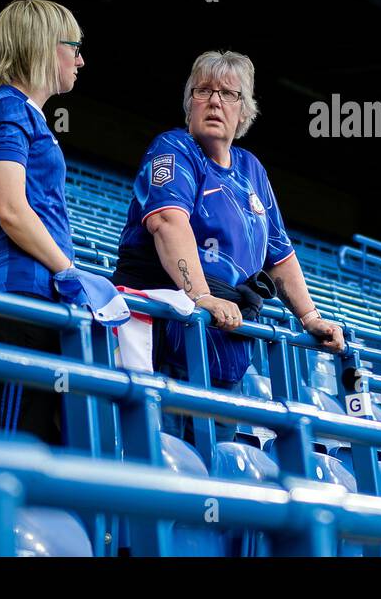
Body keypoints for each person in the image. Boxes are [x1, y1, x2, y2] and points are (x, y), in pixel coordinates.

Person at [114, 50, 345, 439]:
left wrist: (310, 318)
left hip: (228, 347)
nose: (215, 101)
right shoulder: (173, 149)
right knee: (166, 460)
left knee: (216, 467)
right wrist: (200, 296)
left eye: (228, 93)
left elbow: (279, 253)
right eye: (203, 91)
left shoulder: (251, 168)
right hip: (169, 337)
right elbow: (169, 223)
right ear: (190, 103)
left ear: (244, 112)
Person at [0, 0, 85, 446]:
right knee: (15, 445)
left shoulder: (23, 113)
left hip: (31, 298)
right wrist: (67, 269)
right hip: (14, 299)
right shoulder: (8, 110)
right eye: (74, 46)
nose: (80, 60)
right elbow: (10, 209)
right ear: (45, 47)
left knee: (35, 441)